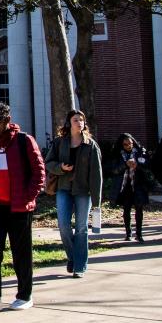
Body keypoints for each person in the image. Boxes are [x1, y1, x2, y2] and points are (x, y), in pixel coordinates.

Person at [0, 101, 45, 312]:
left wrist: (28, 197)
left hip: (19, 206)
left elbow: (39, 173)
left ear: (7, 121)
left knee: (21, 252)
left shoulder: (24, 141)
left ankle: (24, 295)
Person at [44, 110, 103, 277]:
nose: (79, 122)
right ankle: (73, 257)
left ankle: (80, 265)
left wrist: (97, 201)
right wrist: (60, 168)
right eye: (76, 120)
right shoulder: (59, 143)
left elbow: (97, 175)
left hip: (83, 191)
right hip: (63, 189)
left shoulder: (91, 145)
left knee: (81, 228)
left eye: (82, 120)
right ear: (69, 123)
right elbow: (48, 163)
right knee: (63, 226)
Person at [107, 133, 149, 243]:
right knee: (126, 210)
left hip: (138, 184)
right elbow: (114, 170)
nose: (128, 146)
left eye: (130, 143)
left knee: (139, 210)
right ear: (122, 145)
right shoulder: (118, 155)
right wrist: (125, 164)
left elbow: (147, 166)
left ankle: (139, 234)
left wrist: (137, 165)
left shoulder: (140, 152)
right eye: (125, 144)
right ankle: (128, 233)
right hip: (124, 186)